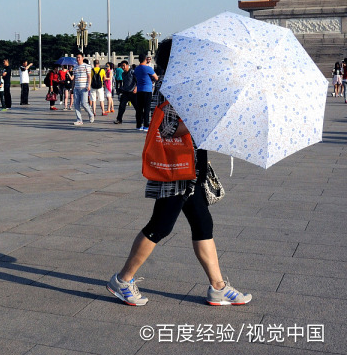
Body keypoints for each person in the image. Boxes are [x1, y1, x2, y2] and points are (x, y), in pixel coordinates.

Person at [106, 38, 252, 307]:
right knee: (161, 226)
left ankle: (218, 287)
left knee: (202, 223)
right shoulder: (170, 88)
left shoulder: (185, 88)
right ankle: (123, 280)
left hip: (190, 169)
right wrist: (204, 122)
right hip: (175, 170)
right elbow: (168, 130)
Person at [133, 54, 158, 131]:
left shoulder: (136, 69)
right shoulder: (148, 68)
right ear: (145, 59)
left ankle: (139, 125)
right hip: (147, 90)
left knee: (139, 108)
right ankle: (146, 126)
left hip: (139, 90)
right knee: (146, 108)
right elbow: (156, 77)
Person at [73, 53, 94, 125]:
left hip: (84, 87)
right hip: (76, 87)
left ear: (82, 58)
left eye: (79, 57)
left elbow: (89, 76)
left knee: (84, 103)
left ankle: (91, 114)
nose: (78, 59)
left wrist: (88, 85)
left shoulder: (87, 66)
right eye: (77, 57)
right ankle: (79, 120)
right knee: (76, 104)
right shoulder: (75, 67)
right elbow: (74, 78)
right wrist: (72, 88)